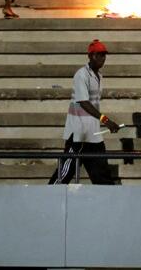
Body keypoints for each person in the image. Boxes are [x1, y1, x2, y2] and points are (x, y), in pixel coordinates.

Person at [49, 40, 121, 185]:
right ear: (91, 56)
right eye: (99, 55)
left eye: (104, 55)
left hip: (93, 134)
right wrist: (106, 120)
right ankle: (49, 197)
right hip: (78, 133)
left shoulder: (99, 76)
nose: (103, 58)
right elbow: (84, 102)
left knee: (102, 175)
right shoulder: (81, 75)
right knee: (64, 174)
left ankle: (108, 203)